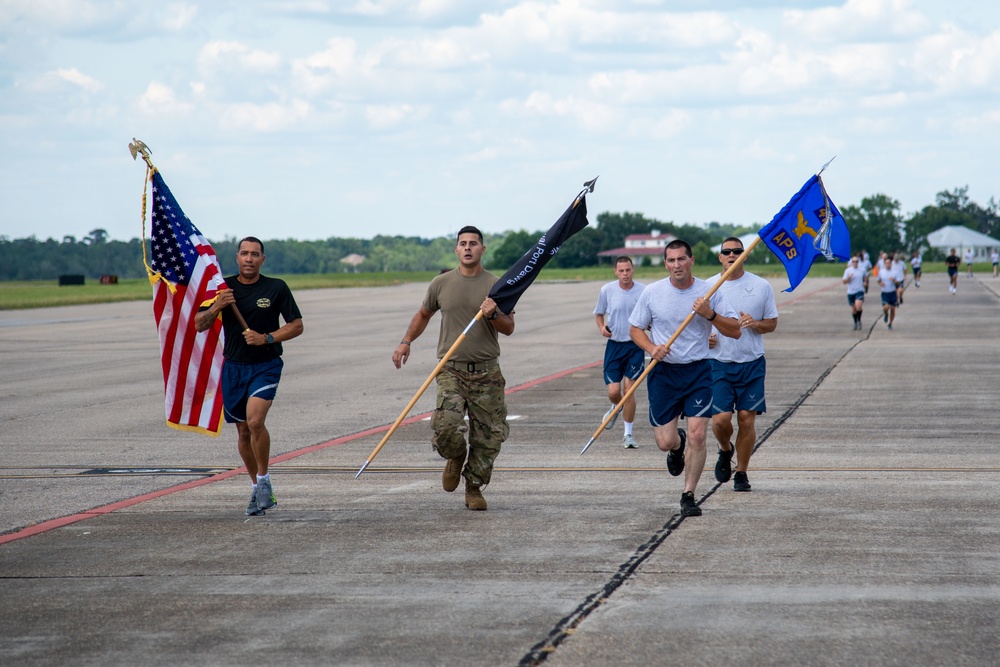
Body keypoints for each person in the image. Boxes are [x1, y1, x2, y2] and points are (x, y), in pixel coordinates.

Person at [392, 226, 514, 511]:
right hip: (451, 369)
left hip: (487, 373)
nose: (468, 247)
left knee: (489, 437)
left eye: (474, 243)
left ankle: (473, 487)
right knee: (446, 427)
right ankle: (456, 456)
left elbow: (508, 328)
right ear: (456, 250)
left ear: (483, 249)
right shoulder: (441, 283)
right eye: (463, 244)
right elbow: (424, 314)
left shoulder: (497, 286)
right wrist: (405, 341)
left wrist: (493, 313)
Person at [629, 239, 741, 517]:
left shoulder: (710, 291)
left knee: (699, 434)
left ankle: (689, 494)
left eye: (682, 259)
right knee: (665, 441)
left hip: (698, 371)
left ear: (691, 260)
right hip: (663, 372)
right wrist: (651, 347)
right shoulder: (653, 293)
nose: (677, 265)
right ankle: (676, 446)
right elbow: (635, 329)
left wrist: (710, 314)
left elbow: (735, 331)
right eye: (671, 260)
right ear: (665, 263)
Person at [195, 237, 304, 516]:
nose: (249, 259)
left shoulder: (276, 287)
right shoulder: (222, 288)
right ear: (237, 257)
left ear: (262, 260)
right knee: (243, 431)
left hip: (265, 365)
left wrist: (266, 337)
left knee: (256, 421)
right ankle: (255, 486)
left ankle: (265, 480)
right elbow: (199, 324)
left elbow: (296, 325)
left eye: (255, 254)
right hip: (233, 367)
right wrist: (219, 305)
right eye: (244, 253)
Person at [707, 238, 778, 493]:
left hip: (752, 363)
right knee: (720, 421)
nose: (732, 255)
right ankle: (725, 450)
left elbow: (772, 323)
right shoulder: (708, 287)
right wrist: (708, 337)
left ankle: (741, 472)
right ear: (720, 257)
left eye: (737, 251)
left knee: (747, 420)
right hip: (719, 364)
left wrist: (755, 324)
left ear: (744, 255)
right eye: (726, 252)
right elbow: (695, 326)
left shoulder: (761, 286)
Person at [594, 256, 646, 449]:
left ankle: (628, 434)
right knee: (614, 391)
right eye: (621, 270)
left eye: (628, 270)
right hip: (614, 345)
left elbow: (650, 315)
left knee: (629, 391)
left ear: (633, 270)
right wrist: (601, 328)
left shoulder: (643, 291)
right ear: (615, 271)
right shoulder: (607, 290)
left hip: (635, 345)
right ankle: (617, 407)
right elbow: (599, 314)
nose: (625, 274)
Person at [876, 255, 902, 330]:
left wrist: (894, 280)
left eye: (889, 263)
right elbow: (878, 280)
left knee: (893, 309)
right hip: (885, 293)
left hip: (892, 292)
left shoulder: (894, 273)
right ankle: (886, 314)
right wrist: (880, 283)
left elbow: (898, 283)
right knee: (886, 307)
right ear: (884, 264)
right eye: (886, 263)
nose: (888, 264)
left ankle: (890, 323)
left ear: (891, 264)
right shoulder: (881, 272)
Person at [842, 255, 867, 330]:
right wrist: (849, 277)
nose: (855, 263)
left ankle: (859, 321)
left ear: (858, 262)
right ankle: (855, 322)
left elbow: (866, 276)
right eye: (853, 261)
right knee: (854, 309)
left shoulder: (862, 270)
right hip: (851, 291)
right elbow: (844, 282)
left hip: (859, 290)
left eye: (856, 261)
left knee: (858, 305)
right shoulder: (848, 271)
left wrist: (865, 282)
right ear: (851, 262)